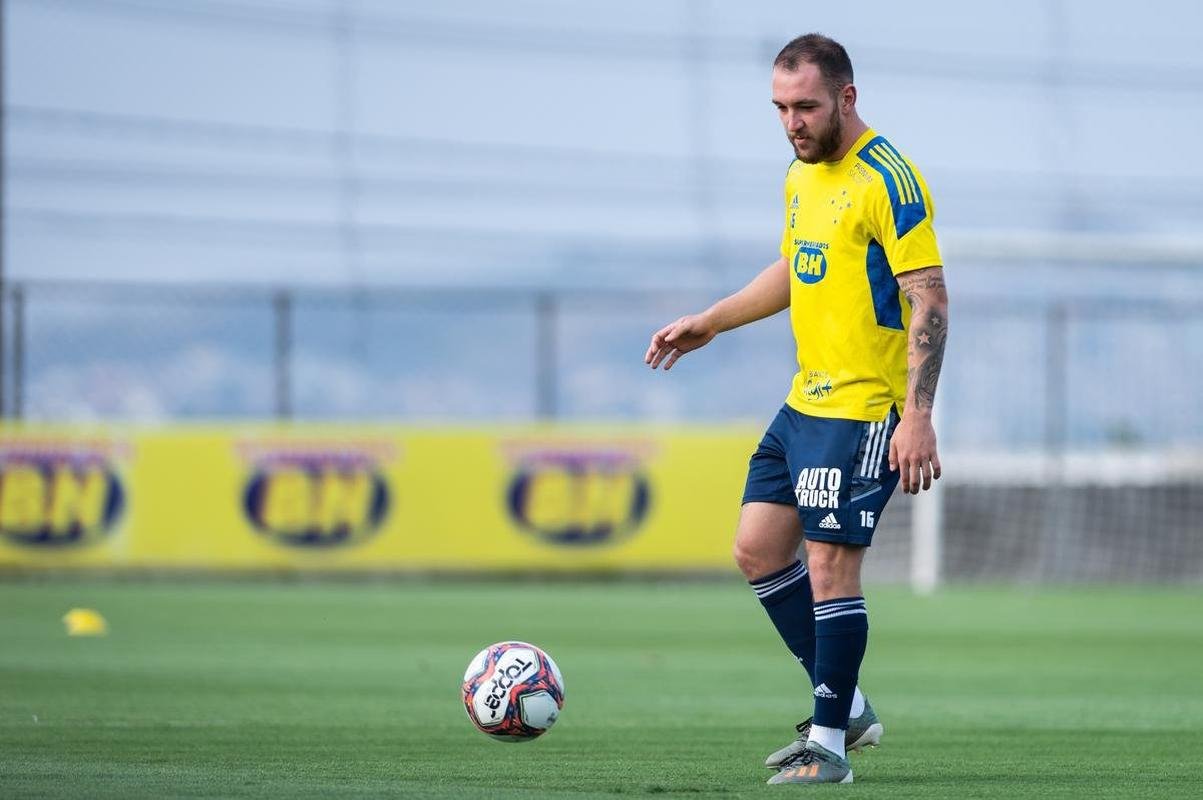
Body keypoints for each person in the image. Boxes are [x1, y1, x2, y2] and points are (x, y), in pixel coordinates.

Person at [645, 33, 948, 786]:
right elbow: (797, 266)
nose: (791, 122)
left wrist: (915, 415)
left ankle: (830, 748)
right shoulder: (799, 174)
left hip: (863, 410)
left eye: (805, 106)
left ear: (847, 96)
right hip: (803, 401)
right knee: (755, 549)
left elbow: (929, 300)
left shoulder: (889, 180)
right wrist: (711, 320)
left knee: (828, 570)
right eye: (780, 108)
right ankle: (844, 708)